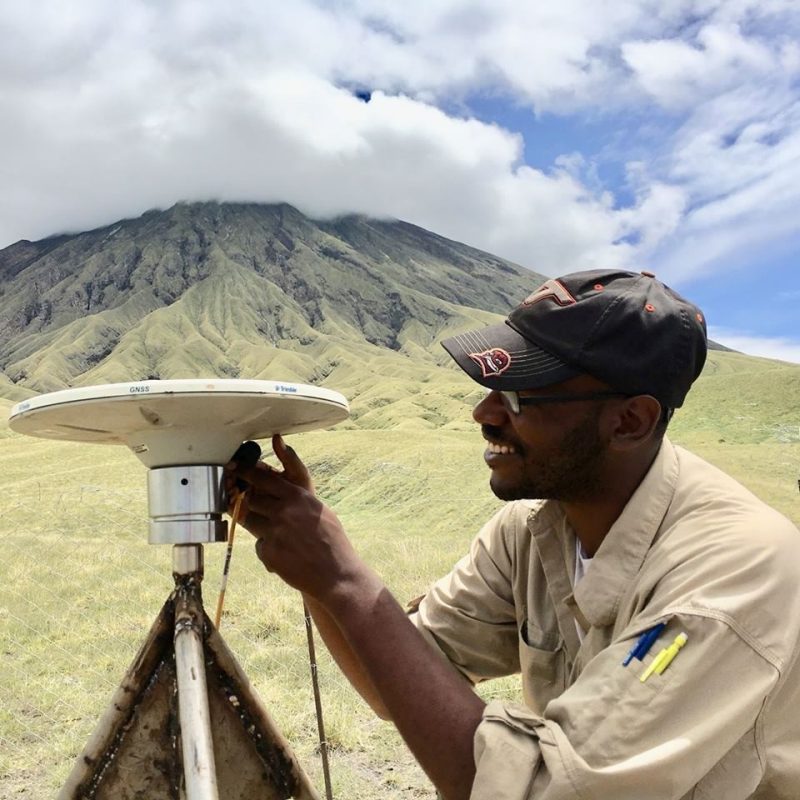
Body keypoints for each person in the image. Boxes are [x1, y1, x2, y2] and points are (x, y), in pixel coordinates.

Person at [228, 269, 800, 800]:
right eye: (489, 388)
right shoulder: (534, 526)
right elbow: (394, 684)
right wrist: (315, 570)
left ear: (630, 421)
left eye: (520, 395)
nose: (484, 413)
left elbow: (546, 790)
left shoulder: (730, 574)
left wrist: (345, 581)